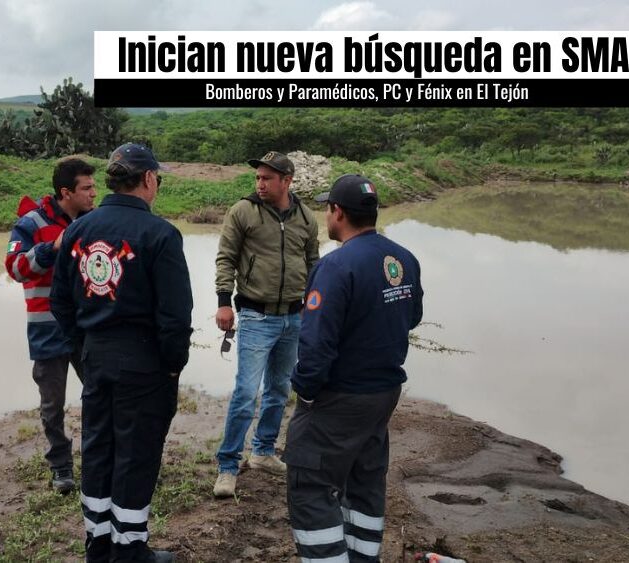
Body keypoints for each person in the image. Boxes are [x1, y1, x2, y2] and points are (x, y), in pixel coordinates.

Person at [51, 143, 193, 563]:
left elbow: (60, 302)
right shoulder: (160, 234)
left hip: (96, 358)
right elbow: (174, 317)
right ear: (148, 179)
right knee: (136, 454)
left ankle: (98, 545)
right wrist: (171, 367)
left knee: (98, 449)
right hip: (144, 363)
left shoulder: (78, 230)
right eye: (158, 178)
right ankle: (129, 552)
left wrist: (85, 350)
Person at [284, 174, 424, 563]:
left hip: (339, 397)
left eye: (327, 208)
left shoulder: (335, 267)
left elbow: (315, 346)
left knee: (310, 485)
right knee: (364, 483)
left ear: (337, 212)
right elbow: (411, 318)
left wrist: (306, 390)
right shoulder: (403, 258)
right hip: (383, 395)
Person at [213, 151, 319, 498]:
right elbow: (226, 257)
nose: (259, 184)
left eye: (267, 178)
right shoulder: (242, 211)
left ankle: (262, 452)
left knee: (279, 390)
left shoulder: (305, 216)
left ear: (286, 181)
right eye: (258, 178)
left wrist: (314, 308)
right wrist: (223, 303)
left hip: (293, 316)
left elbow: (314, 263)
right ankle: (228, 466)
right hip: (255, 316)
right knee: (245, 393)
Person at [5, 157, 97, 494]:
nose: (93, 194)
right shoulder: (30, 223)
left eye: (93, 186)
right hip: (47, 328)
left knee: (100, 394)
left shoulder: (94, 221)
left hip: (88, 326)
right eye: (86, 188)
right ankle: (61, 466)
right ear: (65, 191)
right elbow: (14, 268)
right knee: (52, 405)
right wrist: (51, 248)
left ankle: (98, 460)